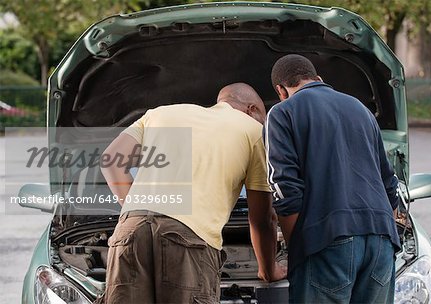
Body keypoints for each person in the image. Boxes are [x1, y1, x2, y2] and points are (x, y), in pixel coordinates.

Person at [100, 83, 286, 304]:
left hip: (129, 232)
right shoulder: (254, 130)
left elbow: (110, 160)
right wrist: (268, 270)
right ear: (252, 109)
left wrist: (137, 211)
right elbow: (262, 218)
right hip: (189, 238)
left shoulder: (158, 114)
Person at [264, 54, 400, 303]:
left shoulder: (282, 113)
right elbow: (389, 183)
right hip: (382, 240)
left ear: (281, 90)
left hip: (328, 241)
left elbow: (284, 190)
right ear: (318, 78)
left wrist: (299, 248)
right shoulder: (362, 110)